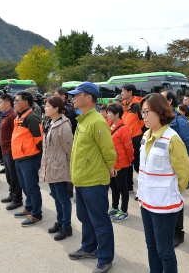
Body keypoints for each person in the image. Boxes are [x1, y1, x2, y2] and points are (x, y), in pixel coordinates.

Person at [137, 93, 189, 273]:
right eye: (142, 112)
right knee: (151, 246)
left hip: (164, 206)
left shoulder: (171, 138)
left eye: (147, 112)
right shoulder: (146, 135)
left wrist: (172, 191)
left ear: (160, 111)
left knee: (165, 250)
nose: (143, 116)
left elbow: (184, 172)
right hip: (146, 202)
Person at [67, 82, 116, 273]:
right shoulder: (83, 119)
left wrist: (111, 167)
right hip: (81, 179)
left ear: (88, 98)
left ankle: (105, 258)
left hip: (94, 180)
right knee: (84, 217)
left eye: (76, 94)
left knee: (100, 222)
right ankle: (89, 248)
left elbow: (108, 150)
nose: (73, 97)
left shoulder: (96, 121)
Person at [161, 89, 189, 248]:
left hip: (174, 171)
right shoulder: (160, 120)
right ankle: (167, 230)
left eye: (161, 98)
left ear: (169, 101)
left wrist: (178, 160)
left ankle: (178, 233)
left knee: (175, 201)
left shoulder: (180, 121)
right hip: (161, 170)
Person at [40, 96, 73, 241]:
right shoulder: (50, 122)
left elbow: (70, 149)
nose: (45, 108)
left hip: (59, 166)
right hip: (51, 164)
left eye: (47, 106)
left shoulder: (64, 125)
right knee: (56, 196)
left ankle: (66, 226)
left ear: (56, 108)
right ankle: (60, 221)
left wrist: (71, 169)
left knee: (63, 198)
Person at [12, 91, 44, 227]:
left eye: (16, 100)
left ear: (25, 102)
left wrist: (38, 156)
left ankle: (36, 214)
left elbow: (40, 140)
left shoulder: (31, 117)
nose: (14, 102)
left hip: (29, 158)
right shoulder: (20, 117)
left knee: (32, 187)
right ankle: (29, 207)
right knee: (25, 186)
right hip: (20, 157)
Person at [106, 103, 134, 223]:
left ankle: (124, 211)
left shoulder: (123, 128)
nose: (107, 115)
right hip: (112, 164)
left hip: (121, 163)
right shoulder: (110, 125)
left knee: (123, 188)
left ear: (117, 114)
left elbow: (129, 147)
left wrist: (129, 161)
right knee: (114, 187)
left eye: (109, 113)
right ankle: (115, 207)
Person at [0, 93, 23, 210]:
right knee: (8, 175)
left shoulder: (12, 116)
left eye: (0, 103)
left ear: (8, 104)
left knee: (14, 176)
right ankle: (12, 194)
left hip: (11, 151)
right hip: (5, 150)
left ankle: (18, 199)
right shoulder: (5, 115)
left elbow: (17, 134)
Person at [121, 84, 145, 193]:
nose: (121, 93)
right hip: (126, 140)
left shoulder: (137, 105)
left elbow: (143, 123)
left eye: (123, 91)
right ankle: (129, 186)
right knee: (127, 164)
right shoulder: (124, 105)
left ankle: (143, 189)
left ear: (130, 92)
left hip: (136, 140)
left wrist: (140, 137)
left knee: (138, 166)